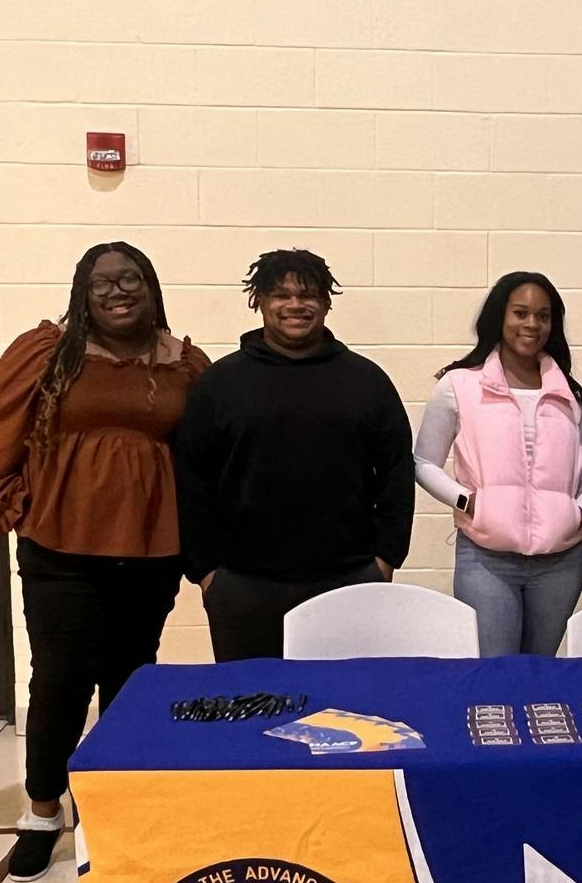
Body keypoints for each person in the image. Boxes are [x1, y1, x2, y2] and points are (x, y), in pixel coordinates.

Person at [0, 241, 207, 881]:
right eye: (103, 282)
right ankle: (42, 811)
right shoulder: (48, 352)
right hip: (59, 544)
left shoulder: (184, 364)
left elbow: (207, 451)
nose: (118, 291)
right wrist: (12, 501)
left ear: (151, 288)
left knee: (130, 681)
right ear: (82, 291)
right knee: (61, 679)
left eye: (131, 279)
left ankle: (113, 808)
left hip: (151, 548)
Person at [174, 249, 413, 660]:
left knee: (344, 709)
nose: (295, 305)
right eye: (280, 294)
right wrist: (206, 572)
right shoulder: (221, 383)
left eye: (308, 294)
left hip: (348, 579)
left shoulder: (366, 380)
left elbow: (396, 471)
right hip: (242, 584)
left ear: (325, 302)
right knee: (251, 710)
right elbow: (192, 479)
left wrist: (385, 559)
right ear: (260, 302)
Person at [414, 273, 582, 657]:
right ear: (500, 317)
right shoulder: (459, 385)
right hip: (486, 560)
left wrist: (577, 510)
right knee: (496, 673)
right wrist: (468, 502)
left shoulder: (569, 393)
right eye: (521, 313)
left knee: (539, 670)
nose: (532, 324)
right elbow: (424, 463)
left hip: (560, 564)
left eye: (543, 316)